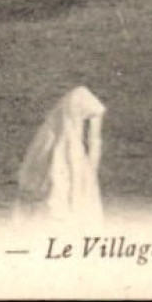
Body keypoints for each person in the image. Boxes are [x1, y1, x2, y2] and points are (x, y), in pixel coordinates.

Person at [14, 86, 106, 230]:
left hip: (60, 148)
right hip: (73, 151)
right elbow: (94, 140)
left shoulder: (69, 99)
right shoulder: (95, 107)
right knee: (74, 189)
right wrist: (91, 173)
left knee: (58, 186)